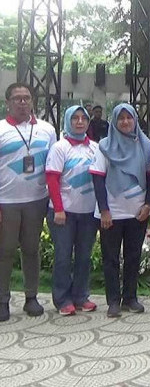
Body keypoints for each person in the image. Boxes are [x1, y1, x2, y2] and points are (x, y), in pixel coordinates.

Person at [90, 103, 150, 318]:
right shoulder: (105, 146)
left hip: (137, 213)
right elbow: (98, 180)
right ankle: (113, 302)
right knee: (110, 258)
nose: (126, 122)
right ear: (114, 122)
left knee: (133, 256)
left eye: (129, 118)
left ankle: (130, 298)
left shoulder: (145, 145)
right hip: (112, 213)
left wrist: (148, 205)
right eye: (121, 118)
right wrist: (105, 211)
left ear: (136, 120)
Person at [0, 83, 56, 322]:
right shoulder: (1, 129)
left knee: (32, 251)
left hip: (36, 200)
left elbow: (54, 168)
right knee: (5, 252)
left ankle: (31, 297)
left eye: (27, 98)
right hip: (6, 201)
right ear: (8, 103)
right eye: (17, 99)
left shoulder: (47, 129)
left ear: (33, 101)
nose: (23, 103)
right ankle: (2, 299)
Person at [45, 105, 99, 316]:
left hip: (88, 213)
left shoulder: (95, 147)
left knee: (84, 257)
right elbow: (52, 179)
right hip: (63, 214)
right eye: (75, 118)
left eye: (83, 118)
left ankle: (80, 296)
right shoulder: (60, 148)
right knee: (63, 257)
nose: (79, 122)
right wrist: (59, 209)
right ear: (68, 121)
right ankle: (62, 299)